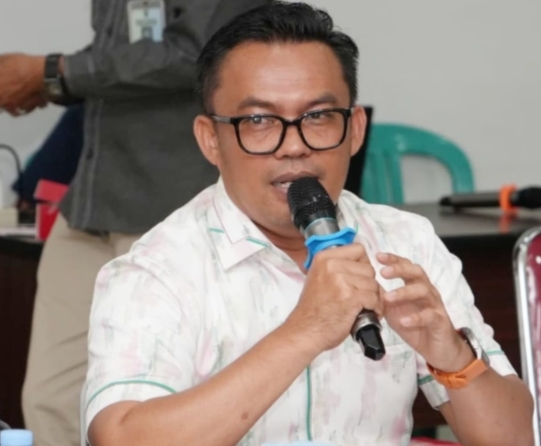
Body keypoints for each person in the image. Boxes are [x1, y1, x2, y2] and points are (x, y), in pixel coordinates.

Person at [84, 3, 534, 446]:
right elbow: (121, 439)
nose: (294, 146)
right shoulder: (158, 270)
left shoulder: (405, 243)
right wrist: (307, 330)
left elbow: (515, 437)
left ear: (355, 129)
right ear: (210, 140)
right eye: (259, 120)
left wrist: (453, 356)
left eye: (317, 116)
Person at [0, 1, 269, 445]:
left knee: (164, 404)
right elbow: (121, 50)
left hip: (171, 209)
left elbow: (196, 52)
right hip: (90, 206)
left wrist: (52, 72)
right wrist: (52, 78)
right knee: (51, 399)